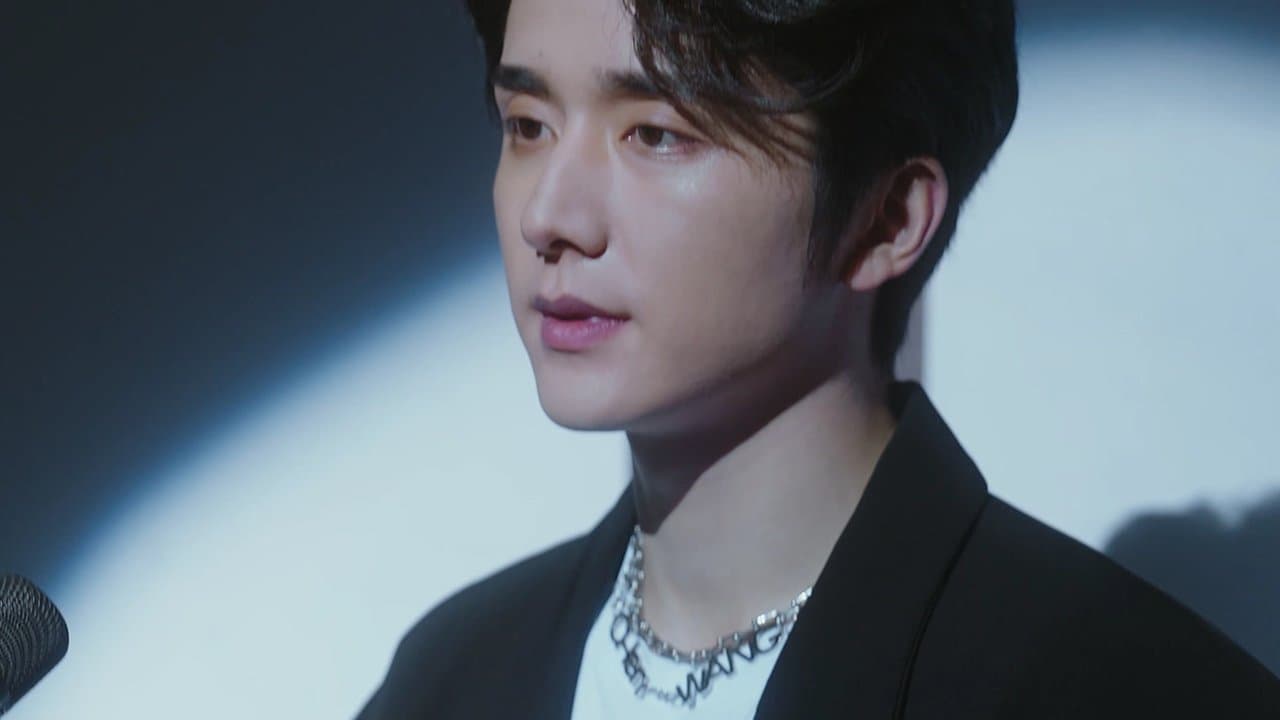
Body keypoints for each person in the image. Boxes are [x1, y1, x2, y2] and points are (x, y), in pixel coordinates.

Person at [356, 0, 1280, 717]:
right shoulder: (453, 675)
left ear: (887, 220)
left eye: (657, 134)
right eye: (527, 125)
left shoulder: (1130, 692)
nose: (548, 216)